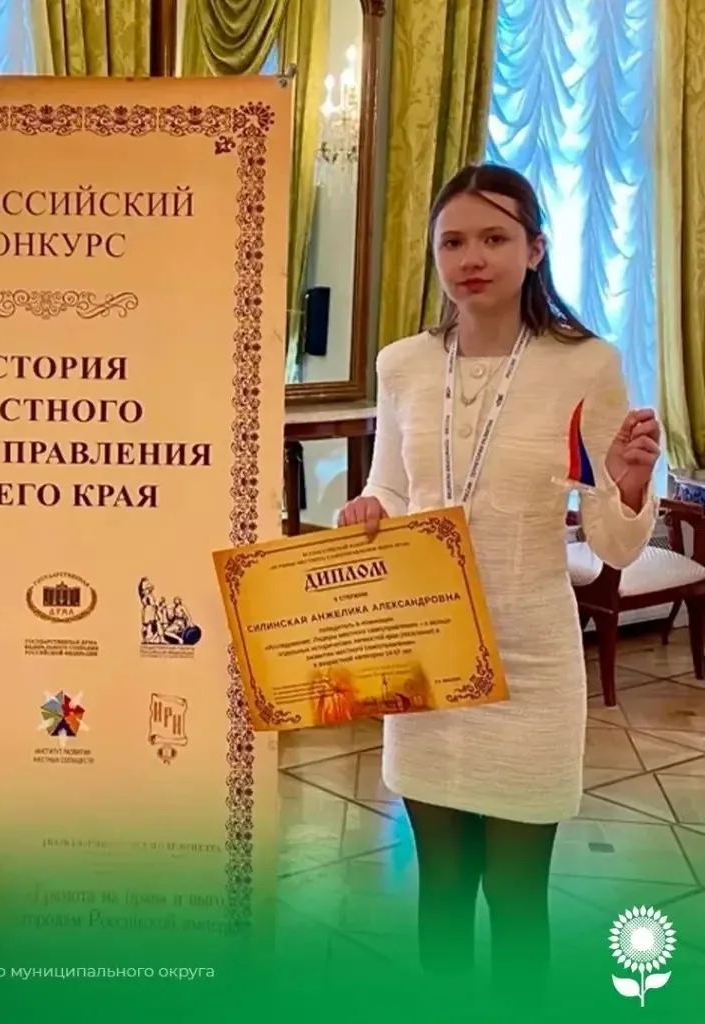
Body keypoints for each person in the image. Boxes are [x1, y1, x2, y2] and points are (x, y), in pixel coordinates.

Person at [337, 164, 659, 993]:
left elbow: (614, 543)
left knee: (516, 897)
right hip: (427, 661)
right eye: (453, 241)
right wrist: (368, 509)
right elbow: (392, 486)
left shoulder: (585, 365)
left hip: (532, 662)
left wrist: (627, 483)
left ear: (534, 249)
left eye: (494, 237)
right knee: (441, 890)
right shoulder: (403, 364)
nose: (472, 257)